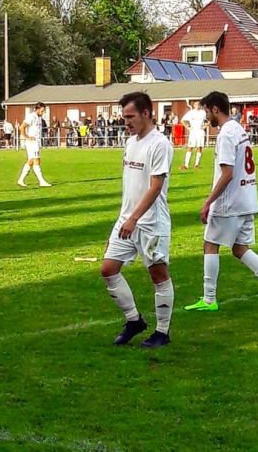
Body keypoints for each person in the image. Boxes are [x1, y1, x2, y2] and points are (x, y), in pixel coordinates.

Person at [184, 92, 258, 314]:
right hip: (247, 198)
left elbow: (227, 173)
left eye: (206, 111)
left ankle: (208, 299)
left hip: (229, 202)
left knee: (210, 244)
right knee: (240, 248)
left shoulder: (225, 134)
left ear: (215, 109)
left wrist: (208, 201)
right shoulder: (238, 128)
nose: (206, 116)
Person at [100, 92, 174, 348]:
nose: (126, 122)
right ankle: (134, 320)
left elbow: (155, 187)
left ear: (146, 113)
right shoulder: (130, 142)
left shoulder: (159, 144)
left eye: (130, 116)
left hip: (151, 223)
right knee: (108, 269)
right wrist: (125, 218)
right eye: (124, 117)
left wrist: (133, 218)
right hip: (127, 220)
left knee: (158, 275)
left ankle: (162, 332)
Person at [17, 102, 51, 188]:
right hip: (32, 143)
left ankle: (21, 180)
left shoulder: (39, 118)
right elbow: (22, 127)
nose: (42, 113)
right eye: (42, 111)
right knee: (37, 161)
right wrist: (26, 137)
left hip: (36, 142)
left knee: (30, 161)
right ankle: (42, 181)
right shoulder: (31, 117)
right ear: (37, 109)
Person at [181, 100, 207, 170]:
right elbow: (182, 120)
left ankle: (196, 165)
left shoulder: (203, 112)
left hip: (200, 132)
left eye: (198, 104)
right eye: (196, 104)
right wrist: (188, 127)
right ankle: (186, 165)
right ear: (194, 105)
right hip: (193, 132)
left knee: (199, 147)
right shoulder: (191, 113)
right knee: (190, 147)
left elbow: (209, 119)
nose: (197, 106)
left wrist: (205, 126)